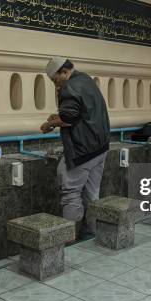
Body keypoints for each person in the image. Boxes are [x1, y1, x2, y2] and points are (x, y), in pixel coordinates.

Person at [40, 57, 110, 238]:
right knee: (92, 193)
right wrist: (58, 116)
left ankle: (68, 240)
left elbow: (68, 118)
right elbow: (81, 112)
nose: (56, 85)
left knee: (70, 193)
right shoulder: (86, 79)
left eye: (56, 80)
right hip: (100, 148)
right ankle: (90, 232)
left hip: (82, 151)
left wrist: (50, 124)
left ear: (64, 72)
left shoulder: (69, 87)